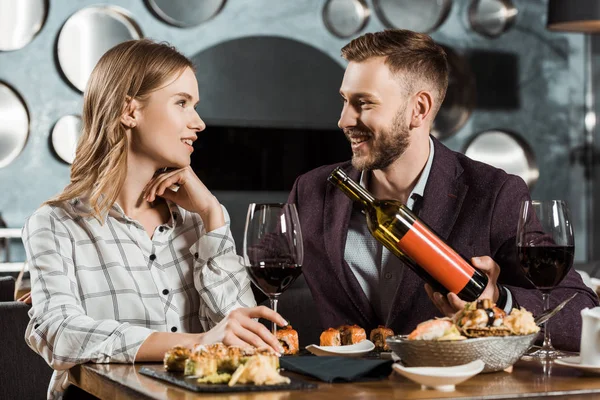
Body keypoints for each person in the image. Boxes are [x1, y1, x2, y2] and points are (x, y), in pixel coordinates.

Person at [288, 29, 598, 351]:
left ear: (419, 109)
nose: (343, 120)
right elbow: (259, 289)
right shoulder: (311, 191)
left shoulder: (493, 195)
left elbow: (578, 310)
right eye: (345, 101)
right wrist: (235, 314)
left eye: (363, 103)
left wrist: (499, 302)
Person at [22, 39, 286, 399]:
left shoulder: (196, 221)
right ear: (130, 111)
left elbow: (242, 339)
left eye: (195, 106)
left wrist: (211, 215)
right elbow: (61, 332)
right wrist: (196, 343)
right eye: (181, 103)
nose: (199, 122)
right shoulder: (55, 224)